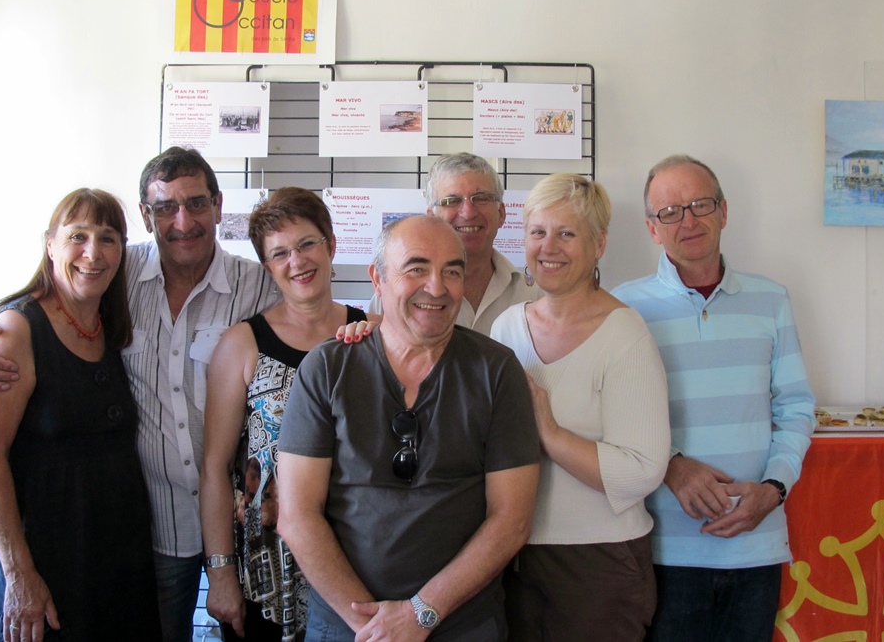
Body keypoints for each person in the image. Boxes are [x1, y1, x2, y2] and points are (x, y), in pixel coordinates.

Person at [0, 147, 281, 642]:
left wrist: (363, 328)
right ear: (146, 216)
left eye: (197, 203)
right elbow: (43, 305)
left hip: (240, 524)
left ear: (219, 206)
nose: (183, 221)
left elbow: (311, 323)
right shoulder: (119, 275)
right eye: (165, 208)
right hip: (150, 529)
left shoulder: (260, 287)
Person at [276, 214, 540, 641]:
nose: (437, 287)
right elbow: (297, 516)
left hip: (462, 625)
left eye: (452, 271)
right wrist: (375, 629)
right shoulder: (326, 368)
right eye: (416, 268)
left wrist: (421, 613)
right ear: (377, 279)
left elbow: (511, 519)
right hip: (348, 626)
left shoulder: (497, 371)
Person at [611, 154, 816, 642]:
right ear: (651, 228)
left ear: (724, 211)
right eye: (670, 211)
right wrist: (673, 465)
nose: (688, 220)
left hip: (756, 543)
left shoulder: (772, 299)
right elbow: (610, 418)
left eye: (700, 204)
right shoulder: (624, 308)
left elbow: (796, 407)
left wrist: (774, 488)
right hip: (663, 547)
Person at [0, 189, 161, 642]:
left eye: (108, 238)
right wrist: (19, 575)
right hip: (38, 555)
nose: (93, 253)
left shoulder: (107, 324)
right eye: (78, 236)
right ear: (50, 245)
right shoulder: (16, 329)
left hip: (108, 553)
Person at [490, 174, 671, 641]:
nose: (549, 247)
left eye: (567, 233)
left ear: (599, 244)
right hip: (510, 555)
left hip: (599, 564)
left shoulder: (624, 334)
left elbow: (642, 471)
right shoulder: (506, 328)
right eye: (538, 232)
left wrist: (548, 432)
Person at [200, 188, 369, 641]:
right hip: (267, 571)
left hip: (357, 561)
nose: (297, 261)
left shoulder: (370, 336)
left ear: (331, 244)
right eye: (280, 253)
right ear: (268, 266)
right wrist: (220, 574)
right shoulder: (243, 343)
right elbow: (215, 469)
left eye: (307, 244)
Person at [368, 153, 539, 335]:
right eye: (451, 201)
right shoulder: (394, 295)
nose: (468, 213)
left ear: (502, 214)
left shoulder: (533, 295)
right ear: (431, 217)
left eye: (481, 198)